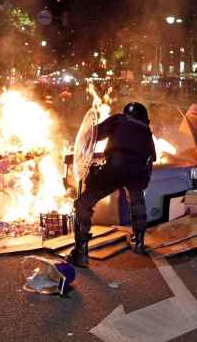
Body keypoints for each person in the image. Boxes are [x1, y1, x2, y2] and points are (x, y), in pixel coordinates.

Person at [67, 102, 156, 268]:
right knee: (137, 201)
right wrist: (139, 185)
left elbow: (93, 135)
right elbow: (150, 159)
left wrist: (85, 157)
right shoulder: (146, 131)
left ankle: (80, 252)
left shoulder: (118, 120)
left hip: (114, 168)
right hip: (136, 171)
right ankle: (139, 242)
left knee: (83, 204)